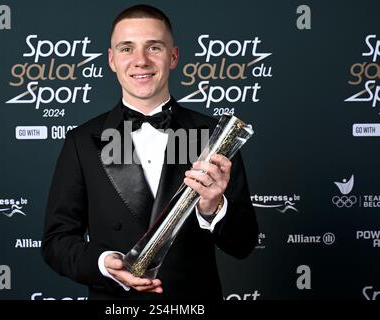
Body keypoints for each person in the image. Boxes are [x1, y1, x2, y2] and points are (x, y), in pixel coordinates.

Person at [41, 4, 258, 300]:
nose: (140, 61)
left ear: (173, 57)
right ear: (112, 60)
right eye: (126, 48)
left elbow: (243, 243)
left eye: (153, 47)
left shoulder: (214, 138)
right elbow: (57, 242)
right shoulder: (83, 141)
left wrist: (213, 208)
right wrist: (105, 264)